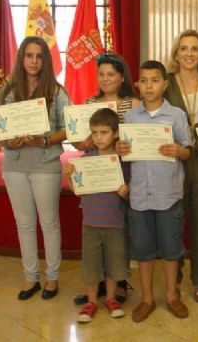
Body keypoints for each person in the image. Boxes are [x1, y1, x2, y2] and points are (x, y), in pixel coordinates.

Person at [0, 36, 70, 301]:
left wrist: (44, 139)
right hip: (14, 166)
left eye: (39, 56)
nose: (34, 61)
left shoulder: (57, 92)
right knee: (24, 224)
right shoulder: (8, 92)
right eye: (29, 55)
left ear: (45, 60)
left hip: (45, 165)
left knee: (49, 223)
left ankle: (53, 277)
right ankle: (31, 277)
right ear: (21, 59)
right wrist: (5, 139)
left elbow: (67, 128)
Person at [117, 60, 192, 322]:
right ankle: (147, 298)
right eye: (144, 80)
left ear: (165, 84)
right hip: (139, 195)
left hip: (168, 194)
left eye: (155, 80)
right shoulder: (129, 117)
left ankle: (172, 296)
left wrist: (178, 151)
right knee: (144, 250)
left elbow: (188, 149)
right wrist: (121, 150)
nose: (149, 86)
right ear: (138, 84)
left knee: (172, 250)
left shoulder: (177, 116)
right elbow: (124, 151)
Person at [73, 52, 139, 306]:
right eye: (101, 74)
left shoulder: (131, 103)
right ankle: (98, 285)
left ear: (122, 77)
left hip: (121, 168)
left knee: (117, 234)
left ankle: (118, 282)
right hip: (96, 171)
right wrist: (85, 141)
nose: (106, 78)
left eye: (111, 74)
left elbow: (136, 137)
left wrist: (124, 143)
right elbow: (80, 139)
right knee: (97, 240)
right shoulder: (91, 102)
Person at [165, 29, 198, 303]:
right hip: (172, 158)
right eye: (184, 48)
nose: (189, 54)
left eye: (194, 49)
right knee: (173, 218)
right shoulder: (165, 82)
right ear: (176, 53)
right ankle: (173, 277)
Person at [64, 108, 131, 323]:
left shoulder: (122, 160)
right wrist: (70, 177)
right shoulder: (86, 159)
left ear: (115, 133)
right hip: (91, 223)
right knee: (91, 265)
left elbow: (130, 187)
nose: (98, 137)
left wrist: (126, 191)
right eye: (94, 133)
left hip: (115, 223)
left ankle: (111, 298)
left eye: (103, 132)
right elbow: (77, 190)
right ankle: (91, 301)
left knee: (113, 264)